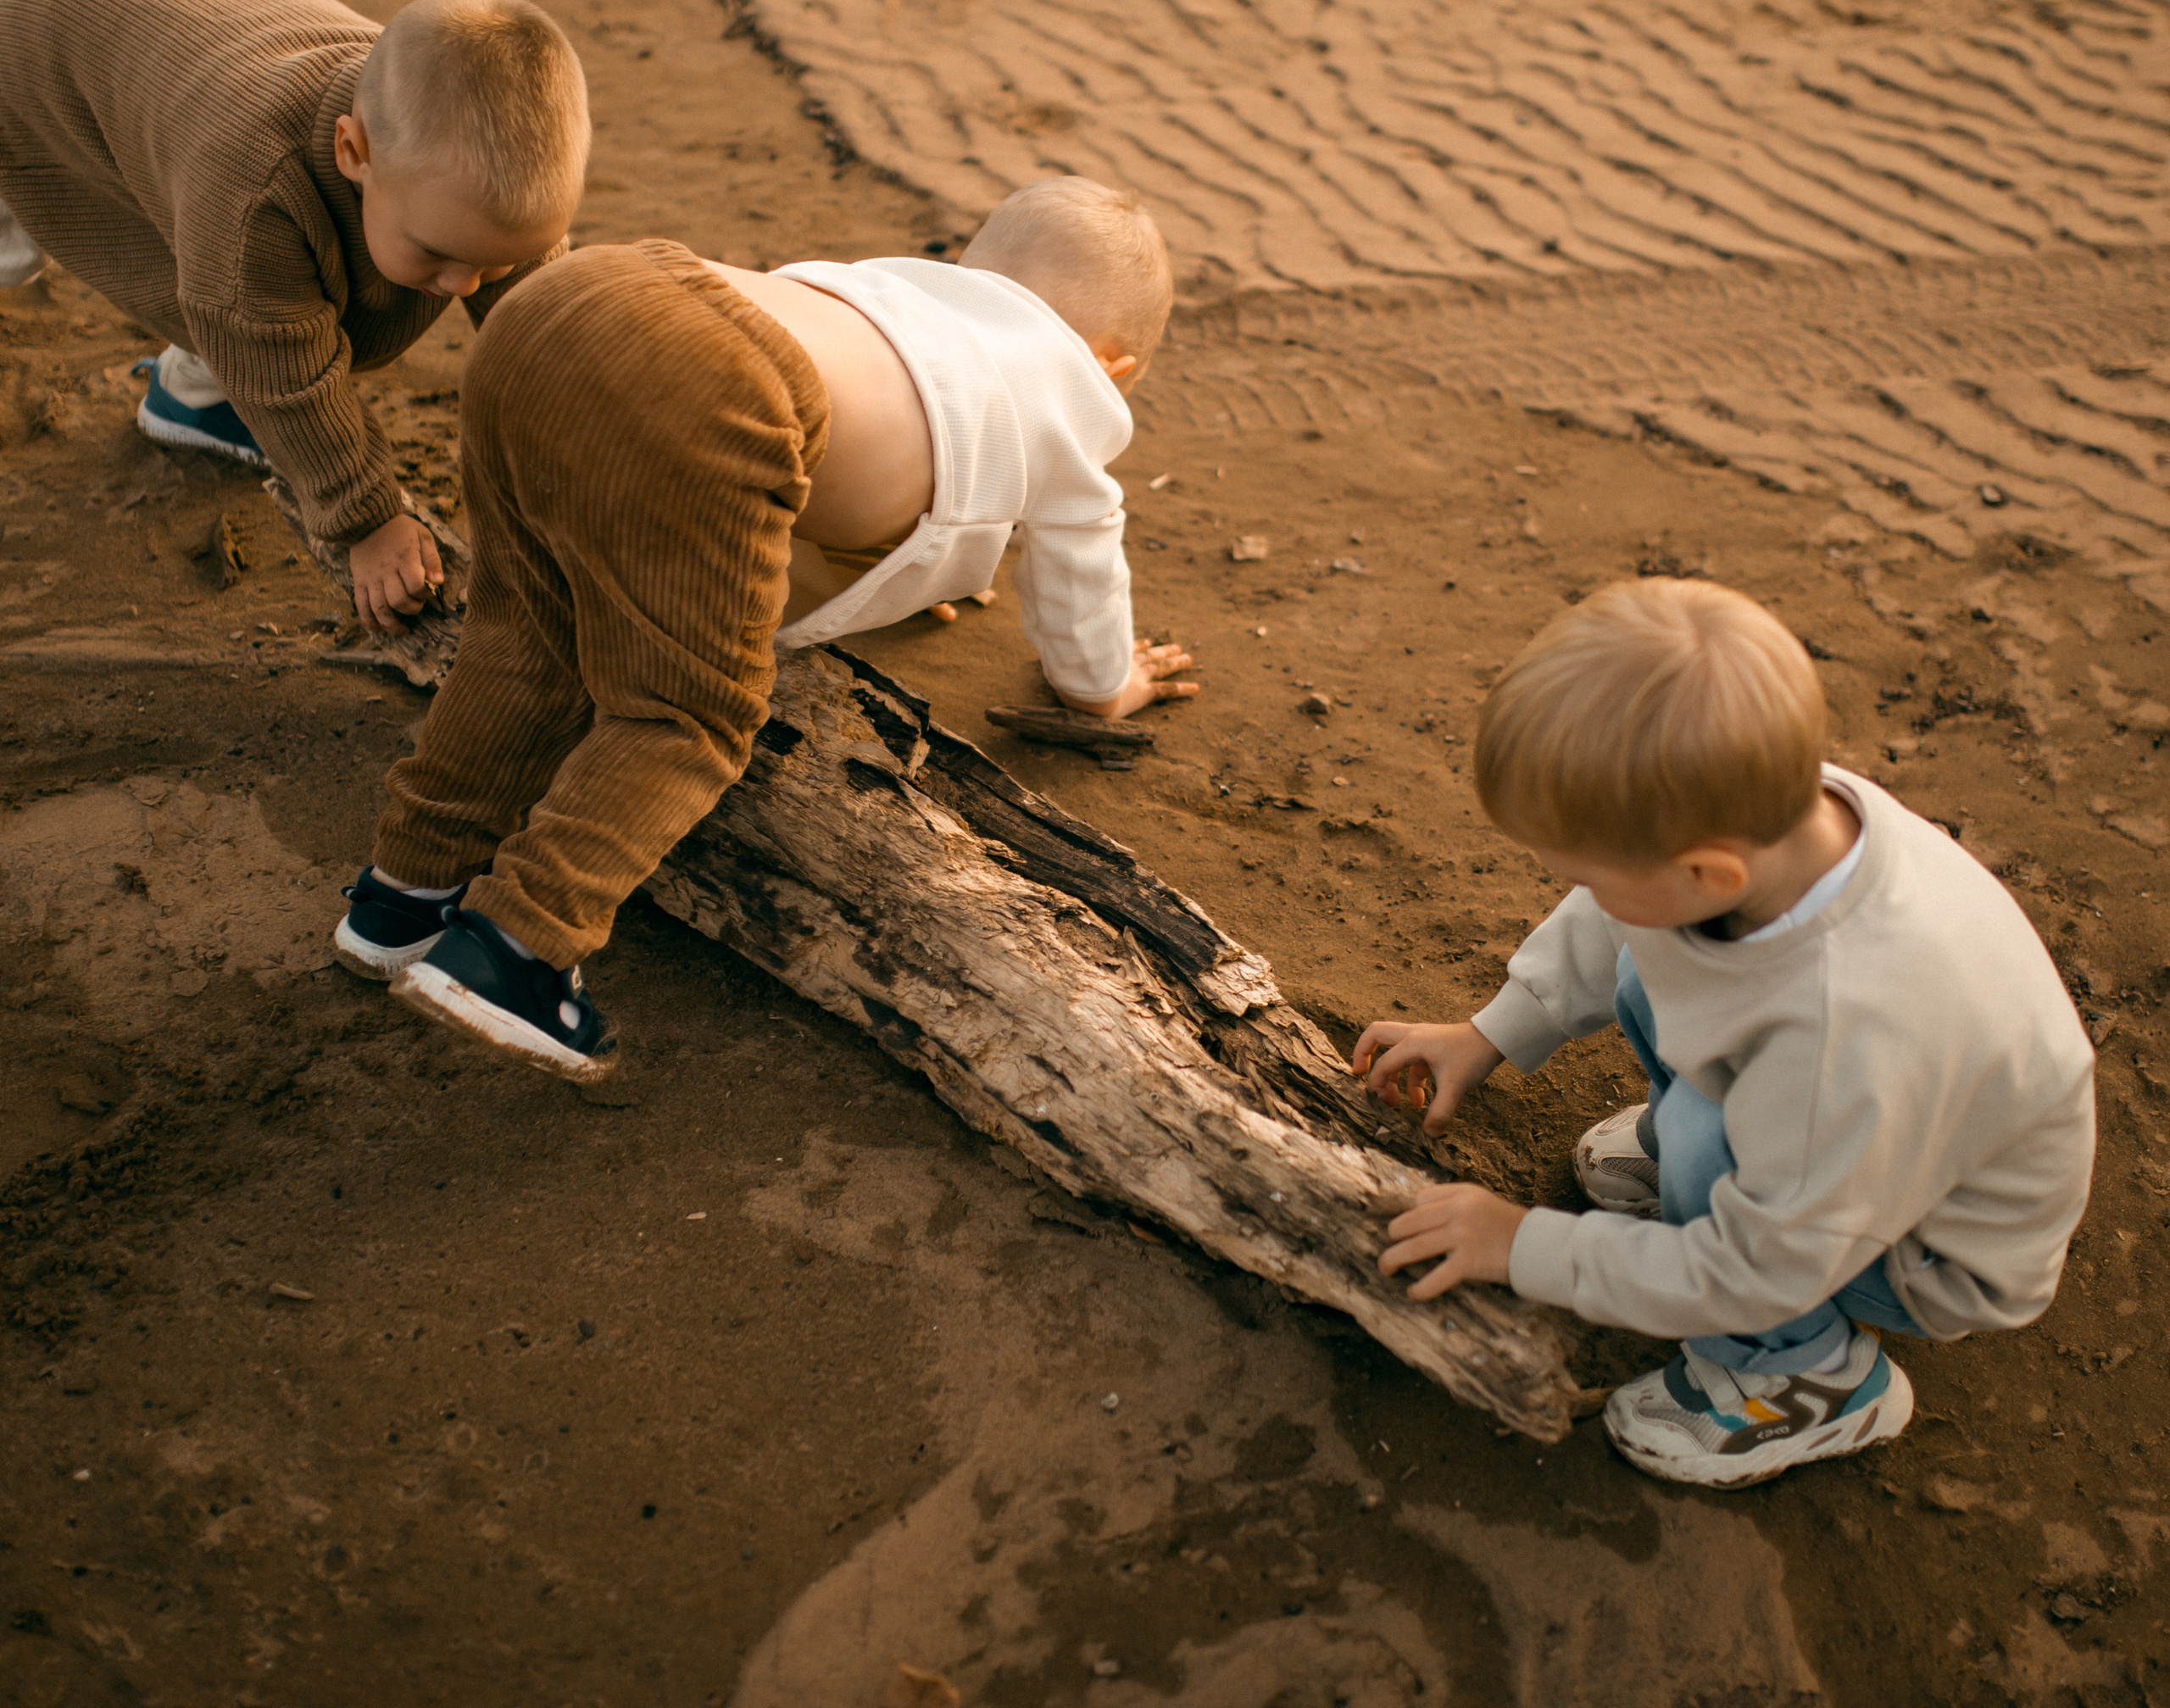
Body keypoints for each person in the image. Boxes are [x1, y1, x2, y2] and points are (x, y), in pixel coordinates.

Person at [332, 177, 1198, 1080]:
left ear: (978, 267)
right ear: (1114, 367)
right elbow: (1075, 601)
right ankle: (515, 945)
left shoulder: (880, 291)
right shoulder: (1076, 395)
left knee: (522, 636)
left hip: (574, 297)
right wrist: (1106, 685)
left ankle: (402, 895)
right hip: (710, 377)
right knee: (686, 712)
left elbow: (795, 485)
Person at [1351, 576, 2094, 1488]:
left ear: (1706, 873)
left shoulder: (1843, 1034)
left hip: (1932, 1252)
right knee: (1650, 974)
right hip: (1847, 1146)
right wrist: (1492, 1031)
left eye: (1594, 873)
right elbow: (1616, 917)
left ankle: (1800, 1378)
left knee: (1712, 1144)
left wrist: (1521, 1242)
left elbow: (1757, 1267)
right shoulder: (1774, 819)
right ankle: (1706, 1168)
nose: (1582, 889)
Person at [0, 0, 587, 634]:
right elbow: (282, 370)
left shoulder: (451, 150)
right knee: (212, 287)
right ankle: (205, 376)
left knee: (253, 278)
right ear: (352, 153)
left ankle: (196, 392)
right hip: (40, 55)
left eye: (492, 263)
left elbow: (538, 315)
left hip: (194, 17)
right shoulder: (252, 196)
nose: (464, 284)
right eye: (437, 254)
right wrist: (366, 520)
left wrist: (584, 417)